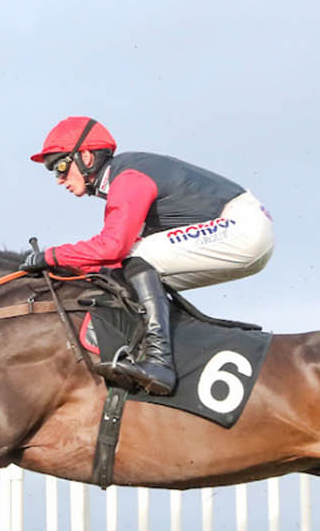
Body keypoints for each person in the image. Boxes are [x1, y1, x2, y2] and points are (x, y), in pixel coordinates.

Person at [22, 116, 274, 395]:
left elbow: (113, 247)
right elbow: (113, 259)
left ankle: (159, 362)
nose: (59, 179)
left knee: (138, 259)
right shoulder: (120, 178)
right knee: (119, 276)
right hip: (243, 232)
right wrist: (70, 268)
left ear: (86, 157)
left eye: (60, 166)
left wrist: (53, 256)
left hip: (242, 227)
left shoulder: (127, 178)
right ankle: (156, 352)